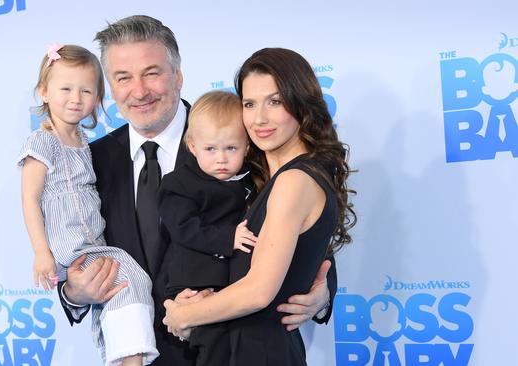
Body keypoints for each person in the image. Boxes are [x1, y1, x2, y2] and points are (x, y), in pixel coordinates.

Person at [57, 16, 338, 366]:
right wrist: (74, 292)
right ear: (109, 88)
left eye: (152, 72)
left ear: (178, 76)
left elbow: (301, 224)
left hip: (225, 351)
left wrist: (321, 290)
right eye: (123, 77)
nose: (139, 90)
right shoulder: (89, 162)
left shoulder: (238, 138)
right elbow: (73, 244)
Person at [162, 47, 357, 366]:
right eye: (249, 104)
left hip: (257, 353)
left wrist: (183, 315)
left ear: (300, 103)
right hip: (232, 348)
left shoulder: (294, 180)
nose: (259, 118)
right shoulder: (258, 179)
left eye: (275, 101)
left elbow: (258, 292)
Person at [17, 44, 158, 366]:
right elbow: (29, 197)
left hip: (92, 242)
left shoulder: (83, 143)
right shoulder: (42, 142)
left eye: (86, 90)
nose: (75, 98)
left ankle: (124, 356)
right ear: (44, 91)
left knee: (116, 287)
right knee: (129, 275)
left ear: (97, 98)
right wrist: (41, 252)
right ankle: (131, 360)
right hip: (71, 245)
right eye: (65, 88)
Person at [158, 90, 257, 366]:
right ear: (192, 146)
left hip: (235, 289)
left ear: (247, 147)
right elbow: (184, 228)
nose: (221, 159)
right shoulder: (178, 184)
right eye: (210, 149)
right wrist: (228, 237)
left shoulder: (252, 181)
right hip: (193, 282)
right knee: (212, 344)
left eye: (231, 148)